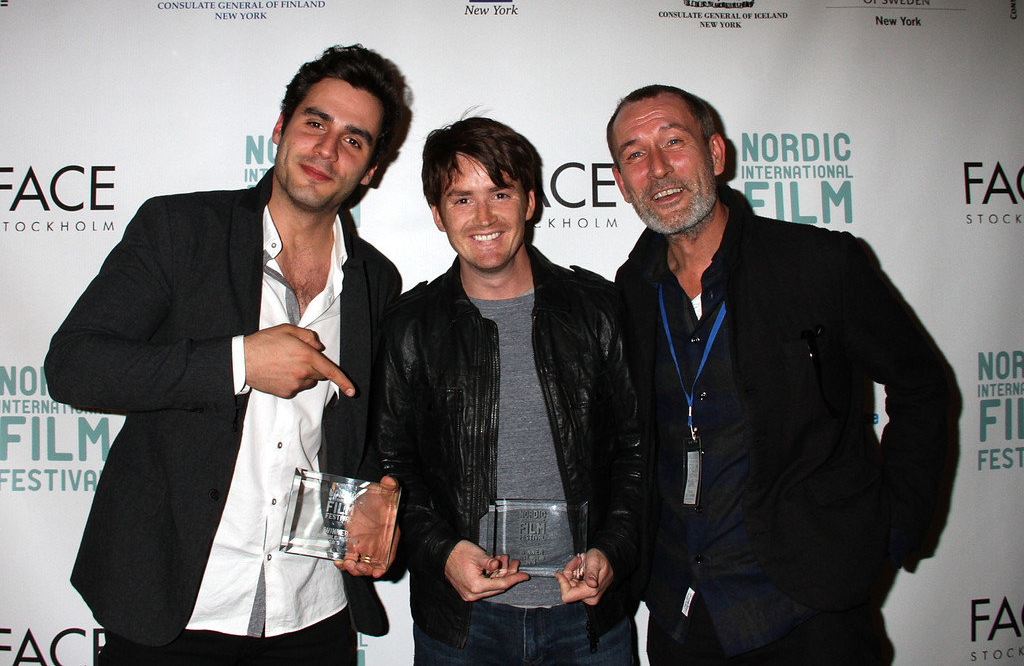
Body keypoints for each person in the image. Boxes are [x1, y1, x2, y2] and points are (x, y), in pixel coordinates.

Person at [44, 44, 408, 664]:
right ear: (279, 130)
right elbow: (73, 366)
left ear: (371, 169)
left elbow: (360, 427)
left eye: (354, 140)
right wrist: (237, 363)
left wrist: (381, 488)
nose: (326, 149)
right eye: (315, 123)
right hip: (174, 608)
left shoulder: (376, 280)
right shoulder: (179, 231)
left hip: (312, 613)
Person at [606, 85, 949, 664]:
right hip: (679, 612)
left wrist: (891, 530)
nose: (658, 169)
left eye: (674, 143)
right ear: (621, 181)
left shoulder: (819, 264)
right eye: (635, 154)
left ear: (716, 154)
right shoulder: (629, 292)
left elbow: (923, 387)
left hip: (809, 611)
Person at [374, 116, 645, 664]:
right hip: (462, 623)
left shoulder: (598, 310)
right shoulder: (410, 327)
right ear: (437, 214)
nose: (484, 217)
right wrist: (443, 553)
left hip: (587, 619)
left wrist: (612, 550)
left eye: (500, 193)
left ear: (529, 202)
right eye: (461, 199)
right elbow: (392, 465)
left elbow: (636, 454)